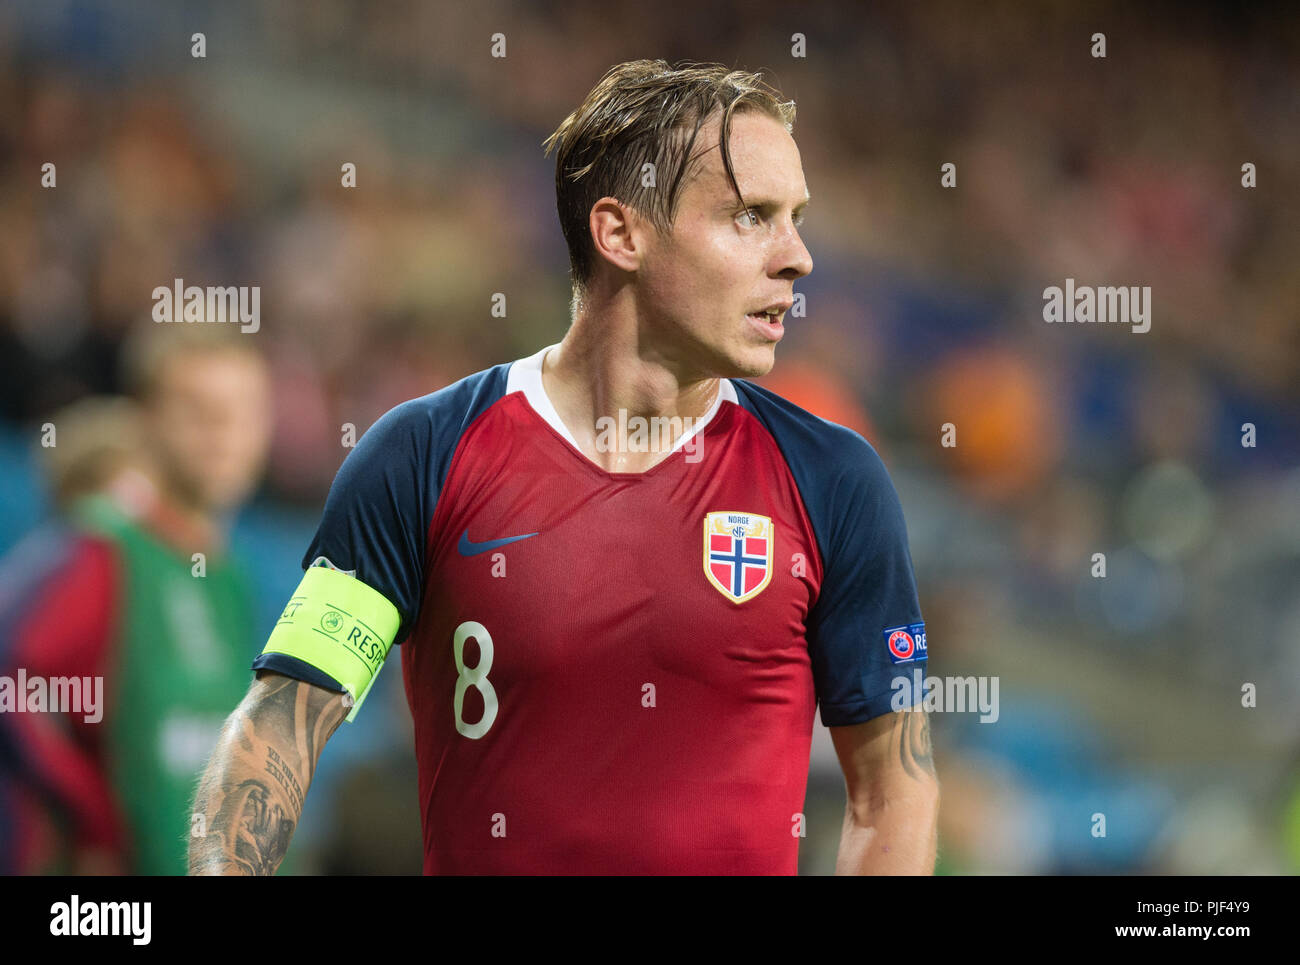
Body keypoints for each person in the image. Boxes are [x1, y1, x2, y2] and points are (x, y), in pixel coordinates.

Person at [190, 59, 939, 876]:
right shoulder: (424, 456)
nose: (797, 257)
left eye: (795, 218)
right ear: (620, 234)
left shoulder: (833, 478)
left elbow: (892, 790)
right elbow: (281, 721)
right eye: (751, 216)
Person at [0, 323, 272, 874]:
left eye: (243, 410)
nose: (222, 431)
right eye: (197, 410)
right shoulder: (101, 553)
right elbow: (13, 684)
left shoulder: (231, 575)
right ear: (145, 420)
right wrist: (93, 823)